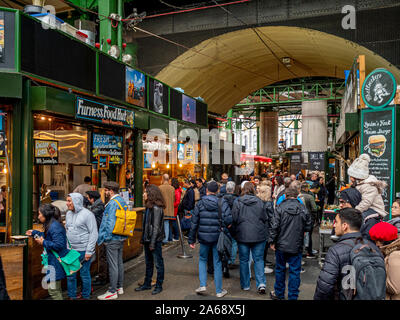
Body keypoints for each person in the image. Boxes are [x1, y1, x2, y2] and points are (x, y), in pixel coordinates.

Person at [314, 208, 383, 300]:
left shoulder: (335, 250)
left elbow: (325, 285)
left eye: (336, 222)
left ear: (344, 226)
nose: (334, 225)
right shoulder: (373, 247)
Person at [188, 181, 232, 298]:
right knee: (217, 262)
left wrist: (191, 239)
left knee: (202, 259)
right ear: (217, 191)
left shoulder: (200, 203)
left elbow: (194, 223)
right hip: (217, 237)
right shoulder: (222, 202)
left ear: (207, 190)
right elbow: (228, 220)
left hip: (203, 237)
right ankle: (218, 291)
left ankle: (202, 285)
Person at [269, 187, 312, 300]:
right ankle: (293, 296)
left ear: (285, 196)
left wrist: (272, 241)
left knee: (280, 269)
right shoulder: (302, 208)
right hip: (296, 244)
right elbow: (309, 225)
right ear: (297, 196)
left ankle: (279, 293)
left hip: (281, 244)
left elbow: (274, 226)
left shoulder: (280, 207)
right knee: (294, 272)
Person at [231, 182, 269, 294]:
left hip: (243, 234)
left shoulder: (238, 201)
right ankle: (261, 283)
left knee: (243, 260)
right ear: (253, 189)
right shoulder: (260, 202)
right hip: (258, 234)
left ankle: (245, 284)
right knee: (258, 259)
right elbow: (264, 217)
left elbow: (234, 218)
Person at [26, 204, 68, 300]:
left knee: (53, 290)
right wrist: (34, 232)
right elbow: (48, 236)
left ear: (46, 214)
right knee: (56, 289)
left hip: (55, 263)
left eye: (40, 214)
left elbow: (59, 245)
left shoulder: (54, 226)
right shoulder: (52, 225)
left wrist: (43, 242)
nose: (38, 216)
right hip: (53, 262)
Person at [96, 181, 128, 300]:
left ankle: (112, 291)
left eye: (106, 190)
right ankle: (120, 287)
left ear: (110, 190)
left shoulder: (112, 203)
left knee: (113, 265)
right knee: (119, 263)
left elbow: (109, 223)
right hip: (121, 236)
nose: (104, 192)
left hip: (112, 238)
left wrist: (106, 238)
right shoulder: (121, 201)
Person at [65, 193, 98, 300]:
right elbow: (68, 229)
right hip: (71, 250)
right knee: (71, 275)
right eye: (67, 201)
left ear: (76, 201)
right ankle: (72, 296)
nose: (67, 203)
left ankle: (85, 296)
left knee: (84, 274)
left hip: (83, 250)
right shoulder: (68, 214)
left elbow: (94, 233)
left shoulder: (88, 215)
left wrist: (89, 251)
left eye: (69, 201)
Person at [347, 154, 387, 238]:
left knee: (360, 220)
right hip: (365, 207)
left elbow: (366, 202)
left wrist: (355, 211)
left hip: (374, 209)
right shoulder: (359, 183)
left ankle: (359, 237)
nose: (350, 178)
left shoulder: (369, 185)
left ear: (357, 176)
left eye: (351, 176)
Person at [135, 184, 165, 295]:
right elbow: (147, 225)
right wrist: (144, 239)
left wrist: (152, 243)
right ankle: (147, 284)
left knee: (158, 263)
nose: (143, 194)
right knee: (148, 263)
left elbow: (156, 227)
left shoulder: (156, 208)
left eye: (145, 192)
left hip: (154, 240)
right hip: (149, 239)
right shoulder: (149, 207)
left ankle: (159, 285)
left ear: (151, 194)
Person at [370, 222, 400, 300]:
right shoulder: (390, 253)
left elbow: (394, 288)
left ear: (385, 240)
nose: (376, 244)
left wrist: (375, 277)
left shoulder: (394, 255)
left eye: (378, 241)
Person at [86, 191, 108, 287]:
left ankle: (103, 278)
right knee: (101, 256)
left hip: (101, 234)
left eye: (88, 198)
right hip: (100, 234)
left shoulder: (98, 206)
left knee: (102, 256)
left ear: (92, 199)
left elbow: (89, 215)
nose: (87, 199)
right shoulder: (97, 204)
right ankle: (103, 276)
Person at [299, 182, 318, 259]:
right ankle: (309, 252)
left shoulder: (298, 196)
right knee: (309, 234)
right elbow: (314, 208)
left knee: (300, 235)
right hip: (309, 218)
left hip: (299, 218)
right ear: (306, 188)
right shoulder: (310, 197)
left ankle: (301, 251)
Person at [159, 174, 176, 245]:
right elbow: (174, 199)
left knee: (163, 224)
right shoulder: (172, 188)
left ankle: (164, 239)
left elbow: (158, 199)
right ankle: (168, 238)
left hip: (162, 209)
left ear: (162, 179)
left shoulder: (159, 187)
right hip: (170, 209)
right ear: (168, 180)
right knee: (168, 224)